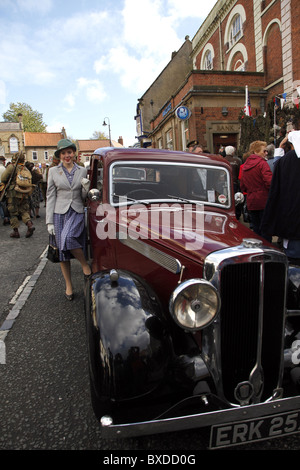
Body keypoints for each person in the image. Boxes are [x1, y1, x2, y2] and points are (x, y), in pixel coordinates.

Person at [46, 138, 91, 301]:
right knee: (62, 252)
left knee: (69, 238)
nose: (67, 155)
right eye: (63, 153)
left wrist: (86, 188)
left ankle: (85, 265)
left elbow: (84, 197)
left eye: (69, 152)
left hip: (77, 211)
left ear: (74, 153)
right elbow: (50, 196)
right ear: (59, 155)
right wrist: (49, 221)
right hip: (59, 213)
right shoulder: (52, 171)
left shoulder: (82, 170)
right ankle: (69, 286)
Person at [261, 130, 300, 263]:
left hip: (292, 216)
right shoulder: (286, 161)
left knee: (293, 258)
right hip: (293, 217)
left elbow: (275, 183)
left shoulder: (285, 161)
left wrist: (281, 146)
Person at [240, 141, 272, 240]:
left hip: (251, 201)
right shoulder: (262, 164)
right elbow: (270, 182)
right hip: (263, 200)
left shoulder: (245, 165)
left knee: (256, 229)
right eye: (264, 151)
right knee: (266, 230)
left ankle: (258, 252)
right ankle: (267, 253)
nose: (266, 153)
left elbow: (243, 186)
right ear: (256, 151)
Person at [1, 153, 35, 238]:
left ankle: (15, 231)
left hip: (13, 192)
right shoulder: (25, 168)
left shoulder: (11, 167)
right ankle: (29, 225)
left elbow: (3, 178)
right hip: (24, 192)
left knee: (13, 212)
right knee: (24, 210)